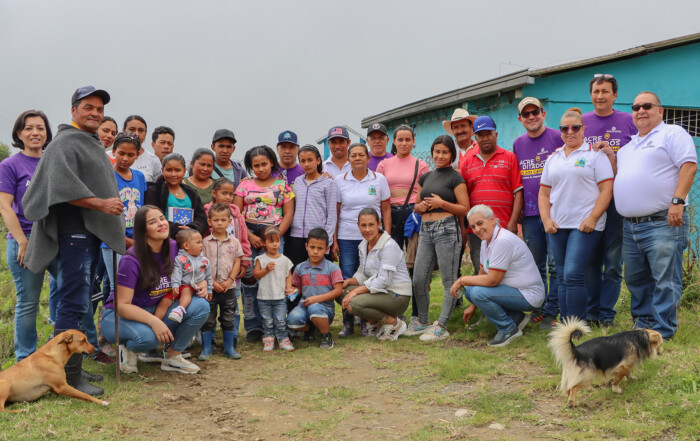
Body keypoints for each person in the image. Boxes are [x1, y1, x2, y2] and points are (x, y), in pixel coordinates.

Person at [22, 86, 125, 396]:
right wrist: (102, 205)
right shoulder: (64, 143)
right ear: (73, 111)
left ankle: (73, 367)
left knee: (82, 303)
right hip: (72, 235)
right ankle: (63, 377)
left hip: (88, 236)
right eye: (88, 107)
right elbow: (61, 188)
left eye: (100, 109)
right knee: (72, 303)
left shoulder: (89, 142)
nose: (95, 112)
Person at [614, 91, 697, 340]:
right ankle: (643, 328)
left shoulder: (672, 133)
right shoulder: (628, 147)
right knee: (636, 279)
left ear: (660, 111)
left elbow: (689, 165)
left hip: (663, 221)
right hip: (631, 226)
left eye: (647, 106)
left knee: (664, 278)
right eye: (636, 107)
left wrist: (677, 201)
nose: (641, 111)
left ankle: (663, 331)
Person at [101, 206, 209, 375]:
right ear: (143, 230)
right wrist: (154, 322)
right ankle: (128, 346)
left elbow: (192, 272)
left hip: (159, 307)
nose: (160, 224)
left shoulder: (175, 248)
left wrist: (201, 283)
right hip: (120, 316)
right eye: (152, 222)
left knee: (201, 306)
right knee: (149, 339)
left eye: (161, 218)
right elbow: (122, 305)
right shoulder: (131, 259)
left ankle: (172, 356)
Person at [539, 108, 613, 322]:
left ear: (583, 130)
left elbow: (607, 190)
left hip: (585, 225)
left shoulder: (595, 155)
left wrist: (593, 218)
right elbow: (544, 193)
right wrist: (546, 220)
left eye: (575, 127)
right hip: (557, 225)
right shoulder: (553, 158)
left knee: (573, 273)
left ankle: (577, 324)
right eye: (564, 128)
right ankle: (566, 325)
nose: (569, 131)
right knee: (562, 276)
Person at [0, 110, 59, 362]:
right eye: (29, 128)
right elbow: (4, 206)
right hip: (25, 239)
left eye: (40, 128)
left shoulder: (54, 162)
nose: (35, 132)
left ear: (47, 134)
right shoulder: (9, 165)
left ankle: (63, 352)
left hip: (55, 237)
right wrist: (23, 241)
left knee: (72, 291)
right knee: (29, 302)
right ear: (19, 134)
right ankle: (26, 359)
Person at [582, 74, 637, 327]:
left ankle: (607, 315)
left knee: (613, 263)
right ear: (590, 94)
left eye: (605, 91)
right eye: (596, 91)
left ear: (615, 95)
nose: (600, 96)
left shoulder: (628, 121)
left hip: (617, 203)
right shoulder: (581, 123)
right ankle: (591, 312)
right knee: (591, 262)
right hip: (588, 202)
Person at [449, 205, 545, 347]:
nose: (477, 230)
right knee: (471, 291)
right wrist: (473, 306)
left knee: (476, 291)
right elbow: (482, 273)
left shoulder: (502, 241)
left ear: (492, 220)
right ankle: (516, 318)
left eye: (480, 223)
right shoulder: (486, 241)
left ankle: (508, 329)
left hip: (529, 295)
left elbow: (492, 280)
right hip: (514, 291)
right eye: (473, 226)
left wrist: (462, 280)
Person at [406, 136, 469, 341]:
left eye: (444, 152)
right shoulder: (425, 177)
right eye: (436, 151)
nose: (440, 156)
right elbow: (415, 204)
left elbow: (464, 208)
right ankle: (423, 321)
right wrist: (420, 207)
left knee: (448, 280)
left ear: (451, 154)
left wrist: (442, 203)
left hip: (447, 230)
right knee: (418, 278)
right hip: (425, 230)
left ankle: (441, 326)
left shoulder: (455, 177)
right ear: (432, 152)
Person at [234, 146, 294, 342]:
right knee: (250, 282)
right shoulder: (244, 186)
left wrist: (273, 238)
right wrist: (250, 237)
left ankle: (279, 326)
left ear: (272, 163)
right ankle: (253, 327)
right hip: (248, 237)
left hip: (274, 236)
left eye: (264, 164)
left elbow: (288, 214)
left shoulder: (282, 186)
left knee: (275, 280)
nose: (260, 169)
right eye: (255, 165)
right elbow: (236, 213)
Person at [512, 97, 561, 330]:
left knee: (555, 264)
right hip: (530, 215)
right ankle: (540, 308)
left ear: (543, 114)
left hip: (556, 212)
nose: (531, 117)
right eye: (526, 114)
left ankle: (554, 309)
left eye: (536, 112)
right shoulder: (517, 144)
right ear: (520, 119)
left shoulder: (557, 137)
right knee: (535, 264)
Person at [332, 143, 391, 338]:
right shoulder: (340, 180)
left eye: (361, 155)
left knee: (370, 277)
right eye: (353, 155)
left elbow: (386, 209)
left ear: (367, 158)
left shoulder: (378, 179)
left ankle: (366, 322)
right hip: (347, 237)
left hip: (373, 238)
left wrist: (386, 236)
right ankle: (348, 323)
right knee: (348, 278)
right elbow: (336, 212)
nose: (357, 158)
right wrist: (334, 239)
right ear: (348, 159)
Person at [460, 115, 523, 276]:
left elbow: (518, 192)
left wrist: (513, 222)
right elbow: (463, 198)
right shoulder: (467, 163)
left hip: (503, 227)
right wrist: (465, 228)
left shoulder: (509, 158)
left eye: (488, 133)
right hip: (477, 229)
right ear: (475, 137)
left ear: (496, 134)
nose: (485, 138)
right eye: (480, 135)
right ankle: (483, 301)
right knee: (480, 269)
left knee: (506, 271)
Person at [341, 208, 411, 341]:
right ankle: (377, 323)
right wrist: (348, 282)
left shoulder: (389, 245)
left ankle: (393, 323)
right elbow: (363, 273)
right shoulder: (363, 245)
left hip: (397, 296)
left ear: (379, 224)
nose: (367, 229)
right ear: (358, 226)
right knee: (342, 292)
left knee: (354, 303)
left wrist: (355, 292)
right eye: (363, 225)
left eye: (371, 224)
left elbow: (384, 280)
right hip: (380, 292)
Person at [200, 203, 245, 360]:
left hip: (229, 288)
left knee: (228, 318)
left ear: (229, 221)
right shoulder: (204, 242)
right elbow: (202, 264)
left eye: (223, 220)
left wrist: (230, 280)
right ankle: (206, 349)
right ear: (209, 221)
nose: (219, 223)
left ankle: (229, 348)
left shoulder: (235, 242)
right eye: (216, 219)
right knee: (208, 318)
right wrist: (211, 281)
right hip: (210, 289)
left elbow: (237, 262)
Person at [376, 124, 429, 250]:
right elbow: (378, 192)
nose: (404, 143)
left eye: (408, 139)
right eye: (400, 140)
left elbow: (428, 191)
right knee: (391, 253)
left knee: (414, 254)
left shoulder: (421, 165)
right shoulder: (384, 165)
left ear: (413, 141)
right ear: (394, 141)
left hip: (413, 212)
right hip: (390, 213)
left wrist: (421, 208)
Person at [288, 228, 343, 349]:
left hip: (325, 308)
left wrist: (317, 299)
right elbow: (298, 287)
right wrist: (291, 294)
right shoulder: (300, 268)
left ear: (327, 249)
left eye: (320, 248)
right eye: (312, 247)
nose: (315, 252)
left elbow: (338, 290)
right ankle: (310, 329)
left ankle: (325, 335)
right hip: (305, 305)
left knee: (315, 308)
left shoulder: (333, 268)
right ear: (306, 246)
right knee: (292, 320)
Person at [288, 145, 337, 266]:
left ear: (318, 160)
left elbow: (331, 214)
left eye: (310, 160)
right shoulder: (297, 182)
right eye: (303, 161)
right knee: (297, 274)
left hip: (318, 237)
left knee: (319, 274)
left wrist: (327, 240)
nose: (306, 164)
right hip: (296, 237)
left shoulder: (328, 183)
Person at [155, 228, 212, 324]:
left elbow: (209, 276)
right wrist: (175, 285)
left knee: (186, 290)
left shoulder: (204, 260)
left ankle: (180, 310)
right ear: (186, 245)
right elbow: (177, 273)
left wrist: (210, 289)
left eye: (201, 242)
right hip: (180, 286)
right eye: (198, 242)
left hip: (193, 286)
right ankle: (155, 322)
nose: (202, 245)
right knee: (165, 301)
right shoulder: (180, 259)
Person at [144, 152, 208, 238]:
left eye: (177, 170)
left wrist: (191, 228)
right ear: (162, 170)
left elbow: (202, 218)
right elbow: (151, 218)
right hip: (164, 241)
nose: (173, 174)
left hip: (189, 242)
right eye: (169, 170)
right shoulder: (154, 191)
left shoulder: (191, 193)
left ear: (184, 171)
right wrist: (179, 230)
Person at [252, 226, 295, 351]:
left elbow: (289, 275)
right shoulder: (260, 259)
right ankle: (268, 339)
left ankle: (283, 339)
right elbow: (256, 275)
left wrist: (288, 289)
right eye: (271, 241)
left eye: (277, 241)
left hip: (280, 296)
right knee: (267, 320)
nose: (274, 244)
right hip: (264, 296)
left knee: (281, 320)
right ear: (264, 243)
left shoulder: (285, 260)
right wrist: (265, 270)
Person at [125, 115, 162, 183]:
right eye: (132, 129)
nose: (136, 133)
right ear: (124, 131)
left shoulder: (153, 160)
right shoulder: (109, 156)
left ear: (145, 133)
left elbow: (158, 187)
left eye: (141, 130)